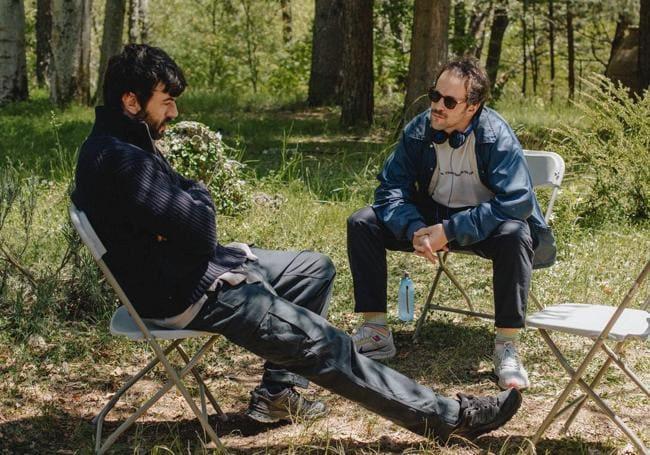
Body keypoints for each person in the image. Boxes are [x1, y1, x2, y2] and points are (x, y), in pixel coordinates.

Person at [71, 44, 522, 442]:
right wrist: (199, 195)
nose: (172, 113)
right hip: (186, 293)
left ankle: (280, 394)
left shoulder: (125, 142)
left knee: (312, 268)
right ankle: (449, 416)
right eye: (165, 102)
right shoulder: (120, 159)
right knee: (328, 344)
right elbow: (202, 225)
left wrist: (189, 204)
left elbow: (187, 225)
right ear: (131, 101)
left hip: (192, 270)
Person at [348, 57, 556, 391]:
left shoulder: (496, 136)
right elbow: (390, 189)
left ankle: (507, 346)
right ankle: (375, 332)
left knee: (516, 233)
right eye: (434, 95)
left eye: (449, 101)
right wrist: (415, 229)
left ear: (473, 106)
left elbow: (517, 201)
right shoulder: (418, 130)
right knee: (363, 221)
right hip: (431, 220)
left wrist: (453, 230)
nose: (437, 106)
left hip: (483, 224)